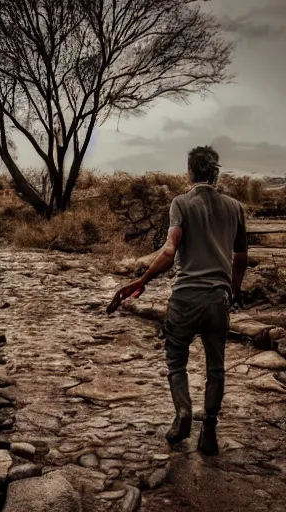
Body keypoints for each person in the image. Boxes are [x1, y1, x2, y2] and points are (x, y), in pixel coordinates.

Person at [110, 146, 248, 456]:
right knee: (216, 367)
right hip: (217, 299)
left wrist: (142, 280)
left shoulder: (181, 204)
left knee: (176, 360)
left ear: (189, 173)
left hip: (185, 297)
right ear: (216, 173)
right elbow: (240, 257)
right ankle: (209, 430)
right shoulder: (235, 208)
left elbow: (170, 251)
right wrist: (233, 291)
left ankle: (183, 413)